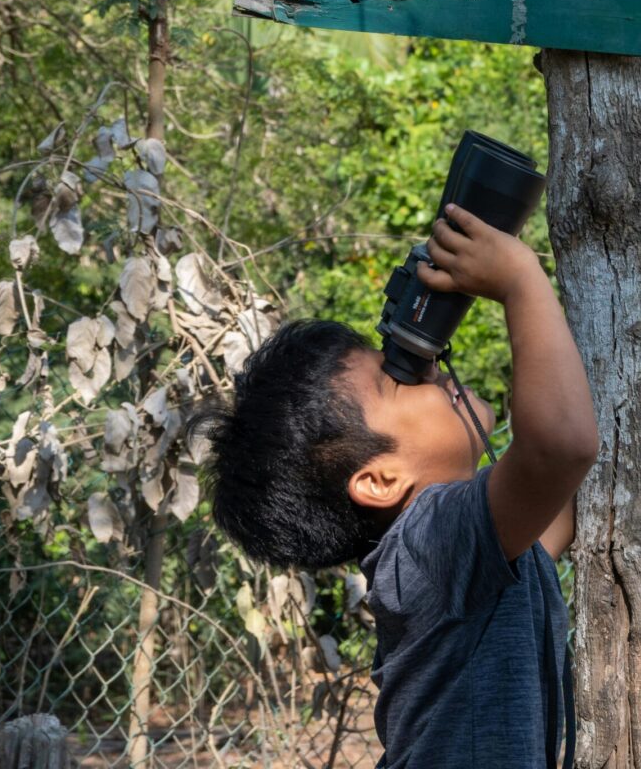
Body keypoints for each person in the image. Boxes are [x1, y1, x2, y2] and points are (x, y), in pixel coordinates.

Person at [185, 202, 599, 769]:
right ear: (380, 481)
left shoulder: (457, 560)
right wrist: (519, 280)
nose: (426, 369)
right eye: (395, 379)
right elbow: (560, 449)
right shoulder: (430, 544)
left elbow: (559, 506)